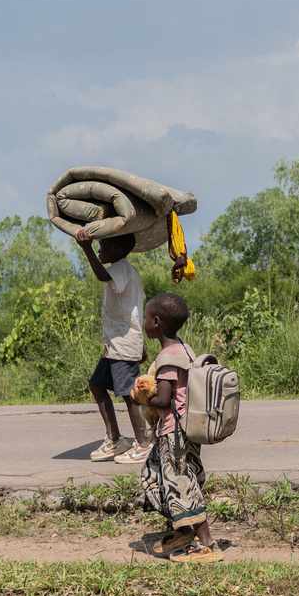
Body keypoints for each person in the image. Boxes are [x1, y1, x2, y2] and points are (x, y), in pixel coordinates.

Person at [138, 292, 224, 563]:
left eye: (145, 317)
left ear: (156, 321)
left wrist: (138, 396)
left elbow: (163, 400)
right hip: (185, 429)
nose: (143, 322)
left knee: (180, 484)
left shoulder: (167, 359)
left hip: (174, 431)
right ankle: (183, 530)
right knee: (154, 474)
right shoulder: (183, 348)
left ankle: (208, 544)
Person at [75, 229, 151, 464]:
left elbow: (100, 275)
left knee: (130, 395)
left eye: (103, 245)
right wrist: (142, 344)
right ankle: (115, 439)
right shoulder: (128, 272)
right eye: (97, 245)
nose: (99, 248)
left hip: (123, 344)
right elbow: (135, 309)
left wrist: (86, 248)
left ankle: (144, 445)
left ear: (117, 249)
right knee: (97, 384)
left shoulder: (121, 269)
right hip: (117, 344)